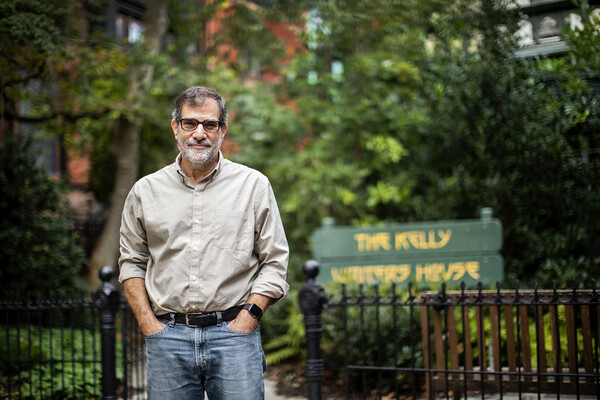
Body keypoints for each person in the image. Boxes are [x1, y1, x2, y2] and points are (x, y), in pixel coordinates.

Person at [118, 86, 290, 400]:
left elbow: (275, 260)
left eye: (210, 125)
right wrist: (147, 322)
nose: (200, 133)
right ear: (175, 128)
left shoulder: (253, 186)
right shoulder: (145, 192)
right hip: (168, 337)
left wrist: (248, 317)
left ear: (222, 131)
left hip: (235, 336)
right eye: (190, 123)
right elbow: (132, 261)